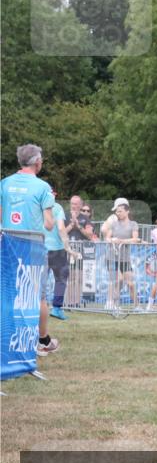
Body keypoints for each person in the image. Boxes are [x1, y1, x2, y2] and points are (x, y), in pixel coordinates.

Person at [0, 144, 59, 355]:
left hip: (8, 245)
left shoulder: (4, 184)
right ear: (36, 162)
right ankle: (42, 341)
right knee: (37, 296)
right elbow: (50, 224)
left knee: (9, 294)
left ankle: (8, 338)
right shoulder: (42, 187)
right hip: (32, 246)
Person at [44, 191, 74, 320]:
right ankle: (56, 308)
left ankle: (36, 307)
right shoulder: (57, 208)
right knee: (61, 280)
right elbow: (61, 228)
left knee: (38, 280)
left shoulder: (36, 207)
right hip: (57, 250)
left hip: (39, 248)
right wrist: (67, 247)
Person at [105, 200, 139, 308]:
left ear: (127, 211)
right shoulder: (114, 224)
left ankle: (136, 306)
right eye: (117, 212)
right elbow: (107, 238)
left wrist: (123, 241)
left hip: (125, 258)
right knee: (115, 280)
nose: (117, 213)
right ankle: (111, 303)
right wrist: (112, 240)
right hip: (112, 256)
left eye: (120, 211)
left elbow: (135, 239)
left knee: (130, 283)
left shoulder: (133, 224)